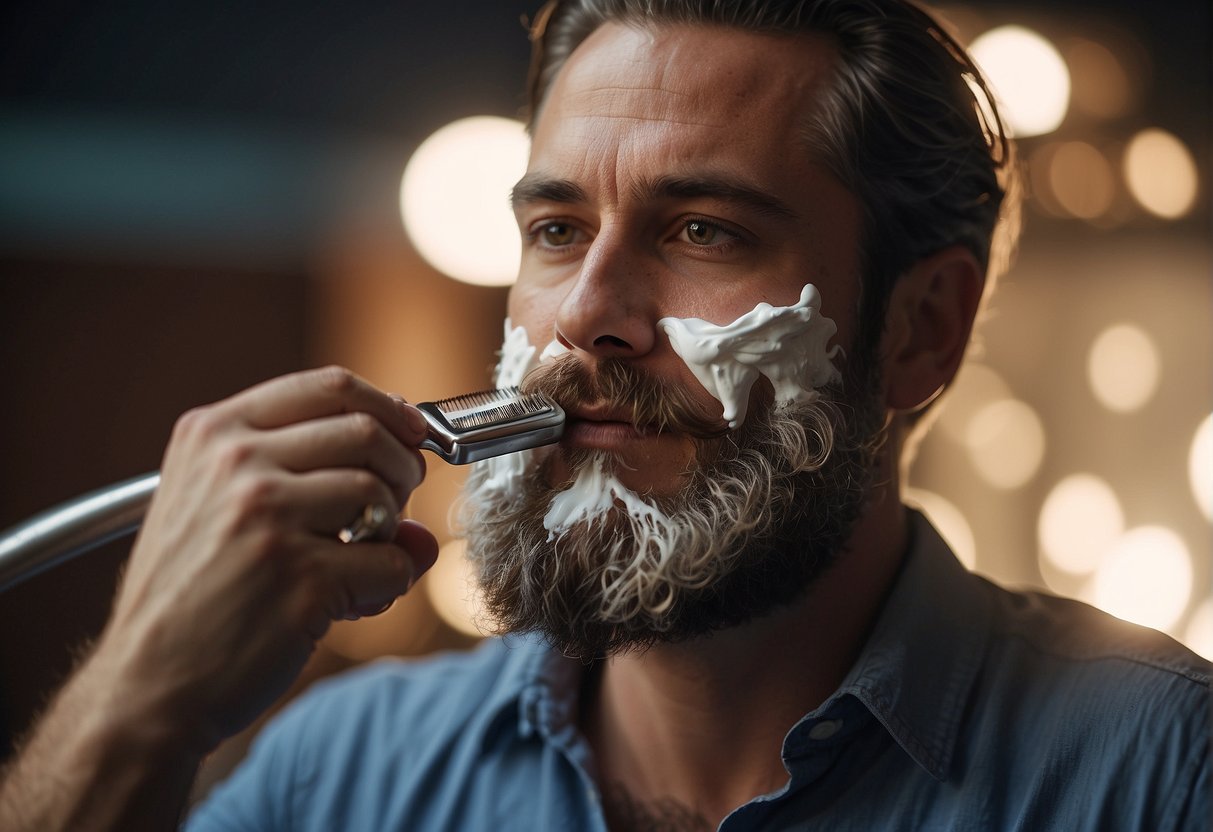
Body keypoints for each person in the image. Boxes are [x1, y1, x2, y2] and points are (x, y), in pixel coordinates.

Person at [1, 0, 1208, 829]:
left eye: (702, 232)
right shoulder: (345, 771)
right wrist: (136, 703)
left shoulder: (1156, 772)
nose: (586, 315)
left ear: (918, 330)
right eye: (556, 231)